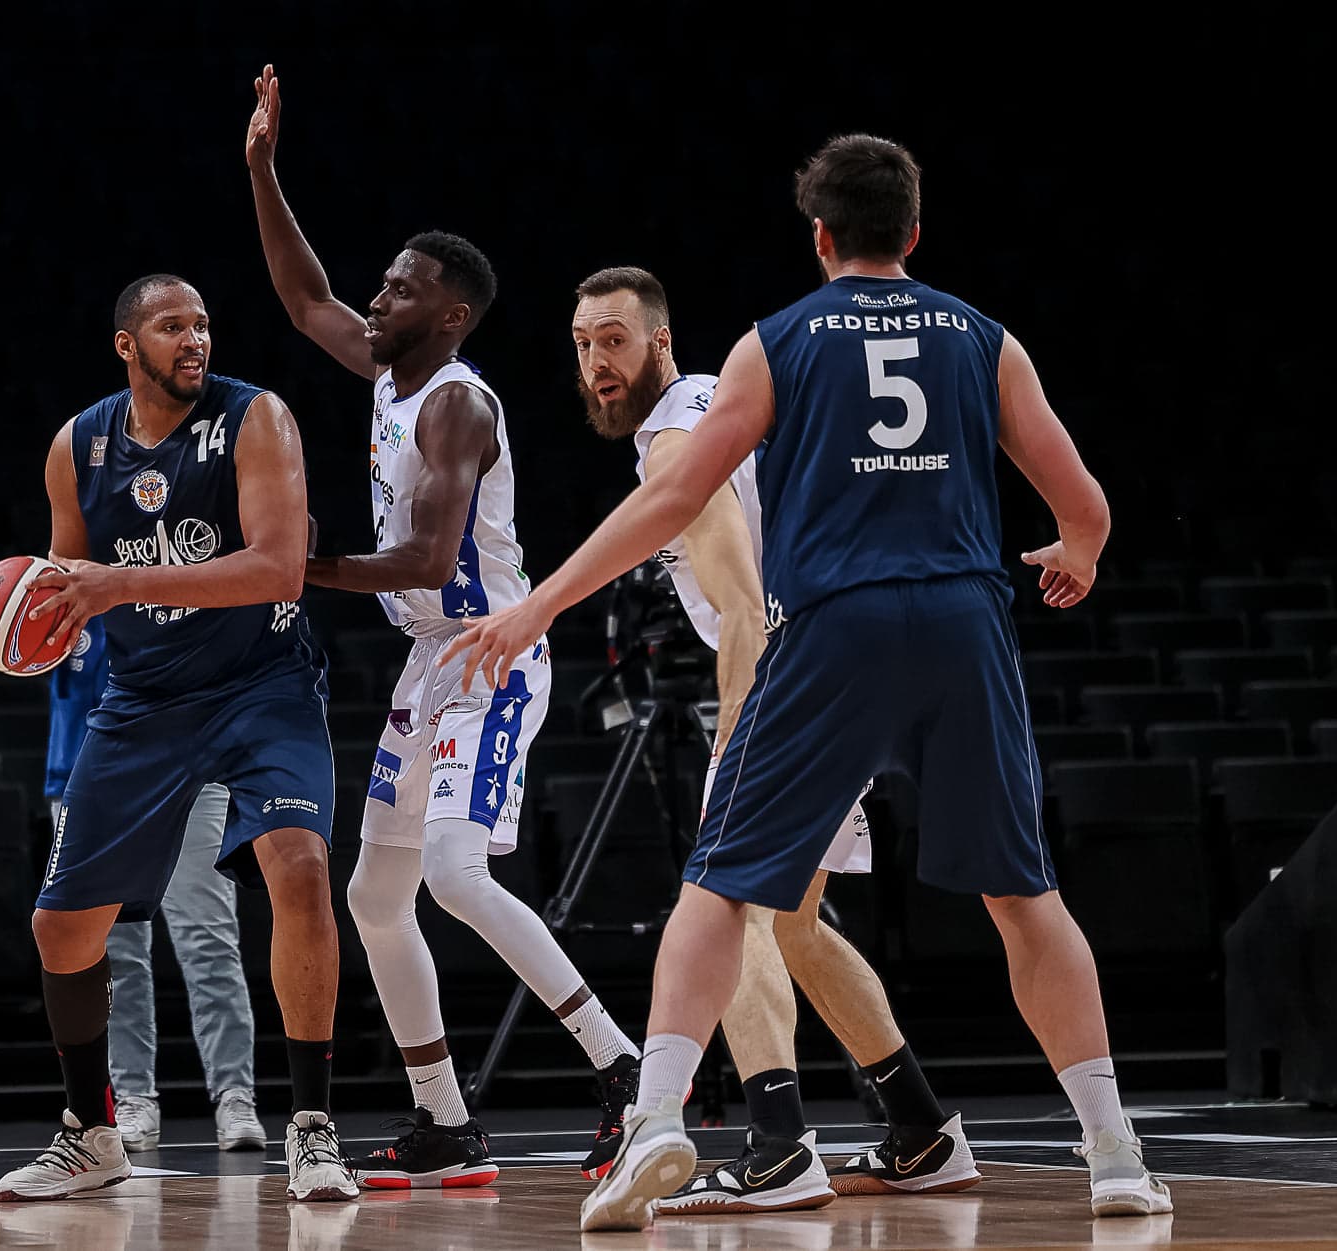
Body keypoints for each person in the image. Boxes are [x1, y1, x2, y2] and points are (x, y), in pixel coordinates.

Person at [445, 135, 1174, 1231]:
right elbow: (1085, 499)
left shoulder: (776, 343)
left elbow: (673, 500)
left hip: (832, 632)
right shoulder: (985, 337)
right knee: (1025, 900)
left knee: (718, 889)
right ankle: (1114, 1153)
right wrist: (1076, 554)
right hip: (967, 622)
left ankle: (656, 1124)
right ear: (915, 233)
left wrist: (537, 604)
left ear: (821, 237)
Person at [244, 63, 642, 1189]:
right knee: (376, 895)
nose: (377, 297)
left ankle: (622, 1069)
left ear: (450, 315)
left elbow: (425, 558)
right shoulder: (384, 372)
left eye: (401, 288)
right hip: (431, 660)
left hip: (493, 650)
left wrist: (294, 563)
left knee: (457, 876)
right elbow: (298, 296)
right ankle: (446, 1121)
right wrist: (264, 168)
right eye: (383, 282)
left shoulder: (458, 399)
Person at [571, 264, 979, 1214]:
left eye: (614, 340)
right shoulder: (721, 402)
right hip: (841, 663)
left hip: (790, 682)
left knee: (737, 905)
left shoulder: (677, 430)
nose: (596, 361)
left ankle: (778, 1143)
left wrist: (739, 738)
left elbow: (741, 603)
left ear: (659, 340)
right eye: (583, 344)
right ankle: (922, 1130)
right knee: (791, 920)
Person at [0, 273, 357, 1204]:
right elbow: (72, 571)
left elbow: (278, 570)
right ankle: (90, 1132)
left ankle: (310, 1127)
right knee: (60, 924)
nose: (193, 339)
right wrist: (28, 616)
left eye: (201, 324)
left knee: (300, 869)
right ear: (127, 344)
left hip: (262, 682)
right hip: (146, 697)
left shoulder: (255, 418)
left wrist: (116, 583)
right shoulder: (79, 444)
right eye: (171, 325)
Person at [43, 616, 268, 1155]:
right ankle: (133, 1097)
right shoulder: (54, 579)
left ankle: (236, 1095)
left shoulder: (181, 557)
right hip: (88, 772)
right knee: (112, 954)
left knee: (208, 938)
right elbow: (20, 649)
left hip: (190, 768)